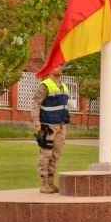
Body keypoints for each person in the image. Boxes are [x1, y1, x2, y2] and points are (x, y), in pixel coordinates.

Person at [31, 65, 71, 193]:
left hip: (61, 125)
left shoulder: (64, 86)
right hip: (47, 125)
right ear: (50, 69)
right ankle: (44, 183)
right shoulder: (45, 85)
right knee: (46, 154)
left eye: (61, 66)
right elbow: (36, 104)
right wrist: (36, 122)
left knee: (56, 154)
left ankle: (51, 182)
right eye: (57, 66)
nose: (60, 68)